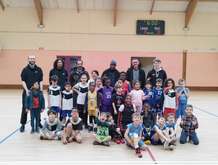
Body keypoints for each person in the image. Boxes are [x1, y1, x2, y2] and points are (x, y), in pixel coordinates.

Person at [20, 55, 43, 132]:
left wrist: (41, 90)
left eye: (33, 58)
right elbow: (23, 81)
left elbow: (41, 81)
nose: (32, 60)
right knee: (25, 108)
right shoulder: (25, 70)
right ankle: (23, 124)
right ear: (28, 60)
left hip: (37, 93)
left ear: (35, 60)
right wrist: (26, 90)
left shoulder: (39, 69)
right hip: (28, 92)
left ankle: (38, 123)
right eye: (31, 59)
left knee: (38, 108)